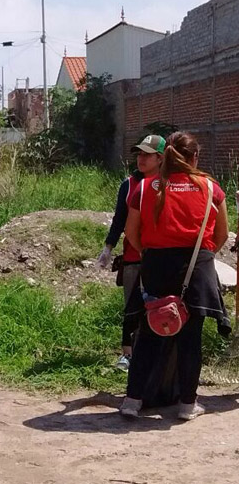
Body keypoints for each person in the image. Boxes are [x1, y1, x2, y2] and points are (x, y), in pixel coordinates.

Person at [120, 131, 230, 421]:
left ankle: (132, 400)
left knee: (148, 335)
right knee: (190, 340)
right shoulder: (210, 188)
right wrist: (201, 258)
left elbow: (131, 233)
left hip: (156, 267)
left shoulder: (144, 188)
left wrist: (151, 254)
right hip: (196, 270)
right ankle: (187, 405)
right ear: (195, 157)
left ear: (166, 154)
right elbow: (221, 235)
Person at [96, 134, 164, 371]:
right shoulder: (129, 185)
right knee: (131, 308)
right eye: (139, 154)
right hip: (134, 257)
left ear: (160, 158)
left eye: (147, 155)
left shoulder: (170, 184)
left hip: (162, 258)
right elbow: (120, 219)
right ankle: (128, 353)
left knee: (160, 307)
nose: (141, 159)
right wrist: (108, 247)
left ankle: (156, 354)